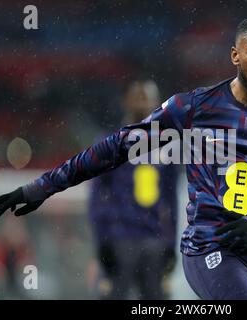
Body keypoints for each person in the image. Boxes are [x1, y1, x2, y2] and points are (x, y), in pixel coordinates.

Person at [0, 15, 247, 300]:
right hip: (211, 247)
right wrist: (41, 188)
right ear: (235, 55)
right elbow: (116, 147)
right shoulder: (195, 108)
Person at [88, 80, 178, 299]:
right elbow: (97, 197)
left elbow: (171, 198)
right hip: (120, 238)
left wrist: (171, 244)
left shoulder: (168, 145)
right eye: (139, 97)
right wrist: (102, 241)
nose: (144, 104)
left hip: (154, 240)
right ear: (125, 101)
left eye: (149, 98)